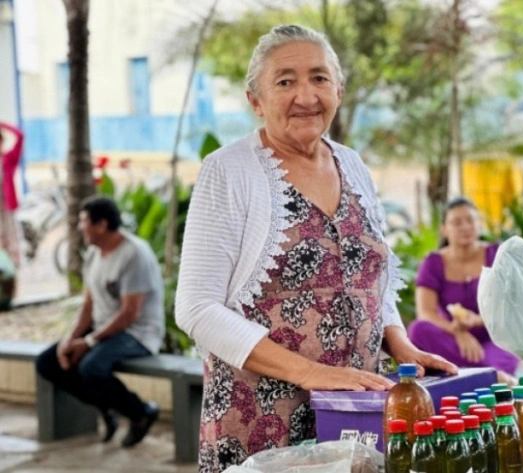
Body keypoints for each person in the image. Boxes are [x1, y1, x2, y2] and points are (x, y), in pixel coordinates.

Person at [175, 24, 457, 471]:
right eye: (285, 81)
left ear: (339, 90)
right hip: (264, 422)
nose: (306, 96)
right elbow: (196, 309)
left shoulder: (352, 163)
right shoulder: (228, 171)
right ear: (255, 100)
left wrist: (400, 343)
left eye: (319, 78)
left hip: (355, 416)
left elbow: (368, 280)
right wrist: (314, 375)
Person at [36, 196, 164, 447]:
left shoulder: (134, 254)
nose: (79, 227)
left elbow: (130, 314)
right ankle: (107, 407)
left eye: (84, 221)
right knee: (49, 362)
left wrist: (90, 341)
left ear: (101, 225)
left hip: (138, 332)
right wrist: (70, 339)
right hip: (106, 329)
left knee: (91, 367)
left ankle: (141, 412)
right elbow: (88, 304)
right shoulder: (94, 253)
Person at [407, 197, 519, 385]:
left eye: (470, 220)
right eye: (457, 222)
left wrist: (477, 321)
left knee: (510, 345)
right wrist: (457, 331)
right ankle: (489, 376)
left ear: (479, 224)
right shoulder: (433, 262)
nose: (465, 227)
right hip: (452, 339)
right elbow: (425, 313)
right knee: (418, 330)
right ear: (444, 229)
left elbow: (512, 307)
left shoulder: (497, 255)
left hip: (494, 337)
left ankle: (463, 373)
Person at [0, 122, 24, 267]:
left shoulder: (9, 159)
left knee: (11, 234)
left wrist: (1, 125)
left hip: (7, 204)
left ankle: (13, 262)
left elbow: (20, 136)